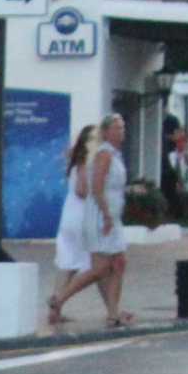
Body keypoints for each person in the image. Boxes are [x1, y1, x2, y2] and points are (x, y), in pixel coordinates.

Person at [48, 113, 134, 327]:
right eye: (116, 128)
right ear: (106, 132)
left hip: (111, 216)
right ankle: (60, 298)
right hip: (101, 217)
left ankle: (113, 313)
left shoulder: (114, 154)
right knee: (99, 268)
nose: (120, 132)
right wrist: (106, 214)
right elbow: (96, 186)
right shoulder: (104, 154)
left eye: (122, 128)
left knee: (117, 263)